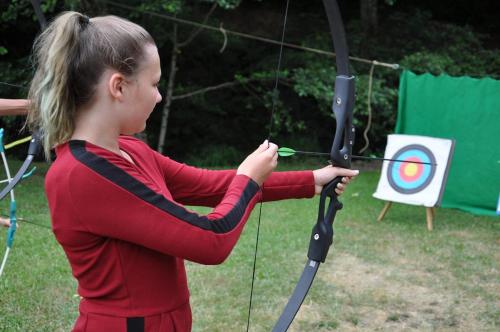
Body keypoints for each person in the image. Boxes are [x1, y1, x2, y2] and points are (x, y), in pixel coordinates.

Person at [26, 12, 359, 332]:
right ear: (118, 86)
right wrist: (247, 179)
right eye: (154, 84)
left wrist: (310, 181)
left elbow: (208, 185)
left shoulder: (128, 149)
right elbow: (211, 240)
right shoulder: (81, 174)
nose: (159, 96)